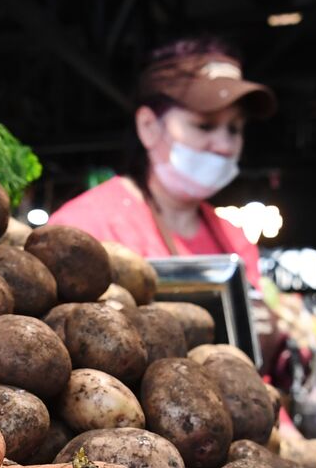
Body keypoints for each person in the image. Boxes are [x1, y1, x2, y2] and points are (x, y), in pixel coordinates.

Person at [47, 37, 276, 288]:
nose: (224, 145)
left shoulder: (235, 240)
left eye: (234, 129)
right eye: (204, 125)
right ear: (148, 127)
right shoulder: (85, 227)